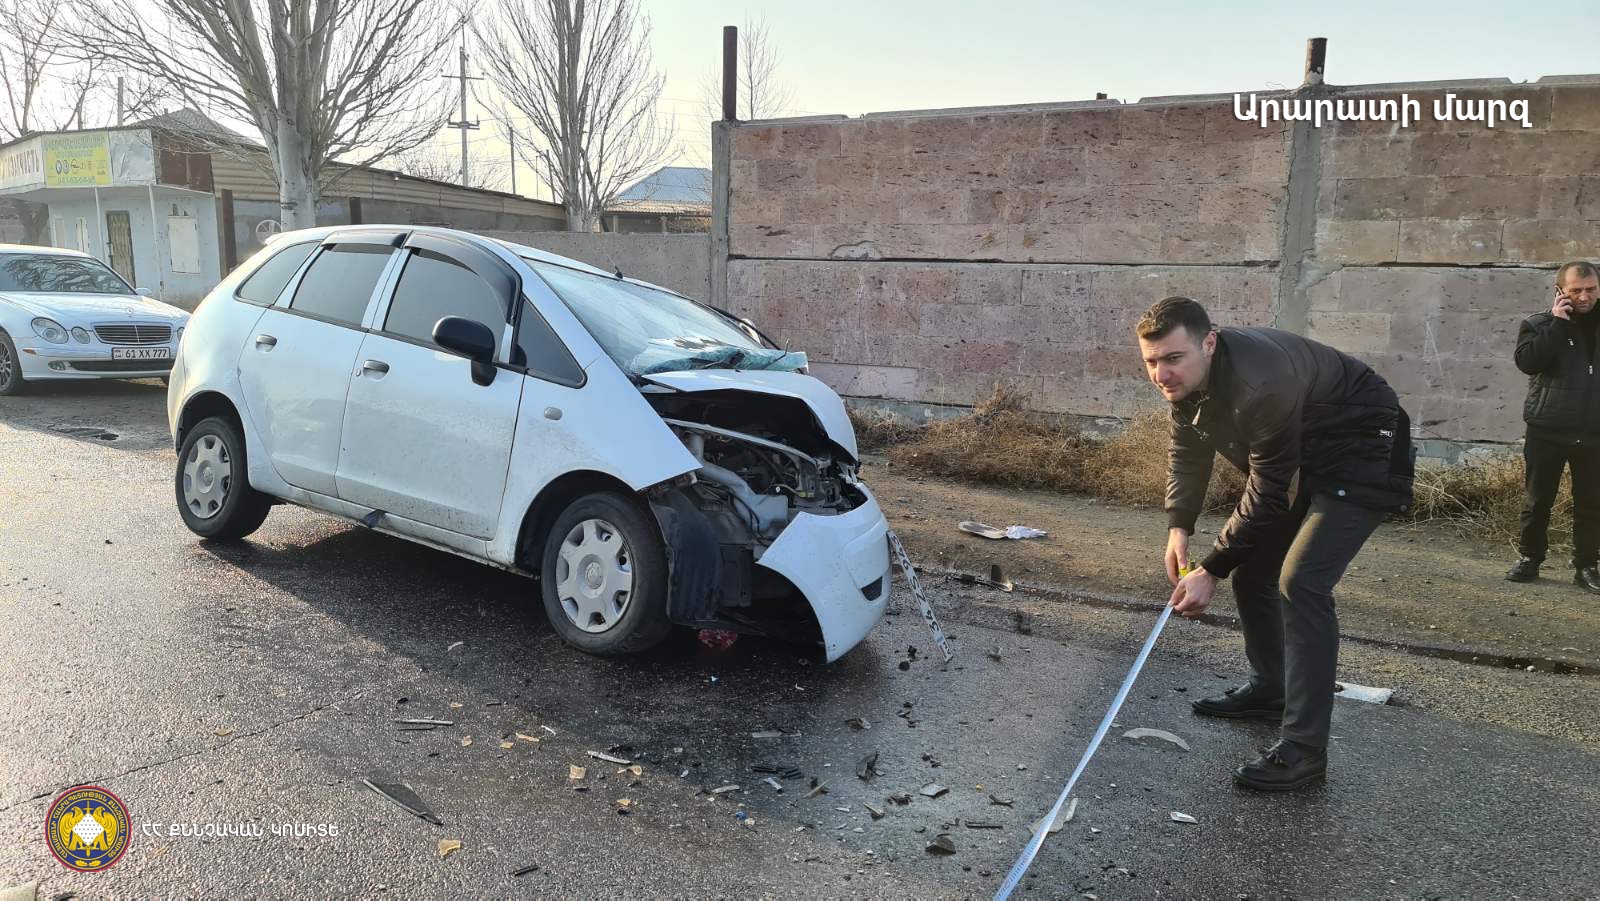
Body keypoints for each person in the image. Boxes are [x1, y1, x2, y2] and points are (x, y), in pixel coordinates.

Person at [1137, 297, 1414, 791]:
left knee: (1302, 583)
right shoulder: (1190, 382)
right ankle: (1271, 690)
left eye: (1173, 358)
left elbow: (1267, 492)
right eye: (1151, 361)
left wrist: (1211, 568)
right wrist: (1179, 528)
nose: (1161, 374)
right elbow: (1189, 450)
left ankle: (1305, 750)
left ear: (1208, 342)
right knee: (1254, 572)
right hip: (1308, 449)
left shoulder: (1260, 381)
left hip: (1364, 443)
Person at [1506, 261, 1600, 591]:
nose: (1584, 297)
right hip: (1548, 429)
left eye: (1591, 289)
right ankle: (1530, 559)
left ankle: (1586, 566)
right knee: (1538, 500)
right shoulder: (1539, 324)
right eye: (1576, 290)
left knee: (1591, 503)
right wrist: (1558, 325)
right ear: (1560, 291)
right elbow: (1528, 363)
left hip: (1594, 432)